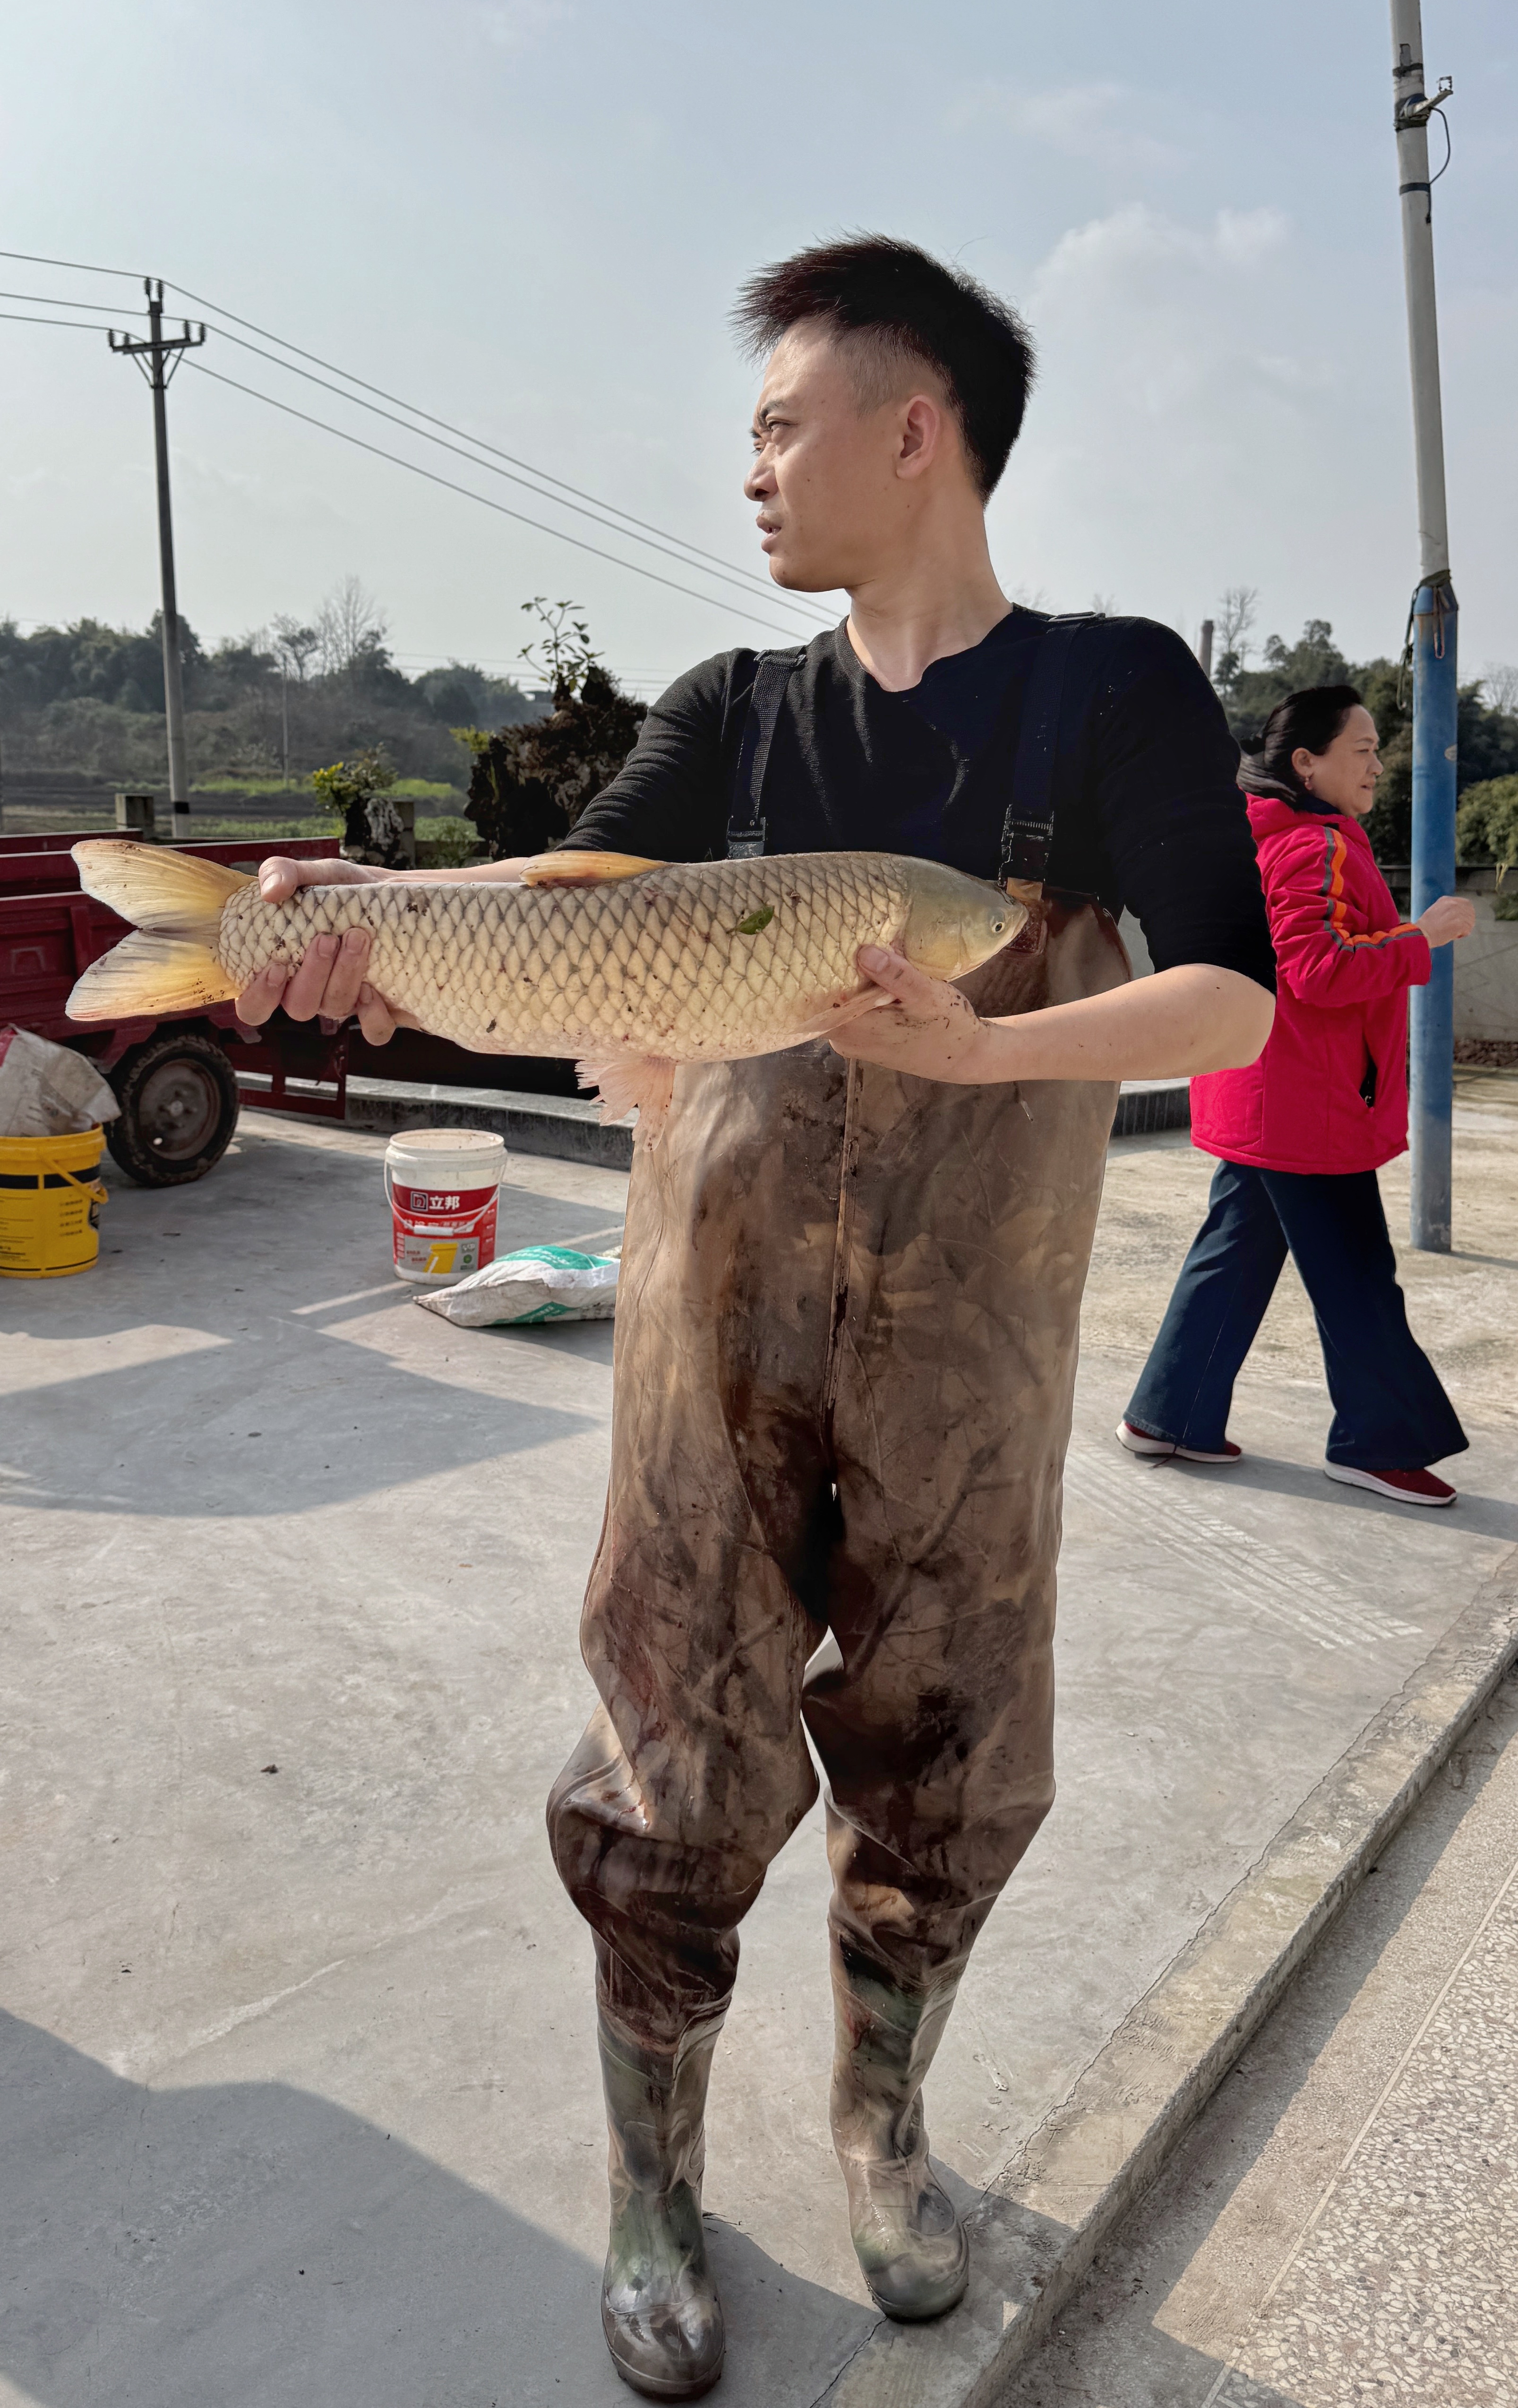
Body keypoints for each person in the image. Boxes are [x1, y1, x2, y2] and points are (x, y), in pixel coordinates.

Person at [236, 237, 1275, 2400]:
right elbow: (562, 917)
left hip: (968, 1366)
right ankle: (652, 2179)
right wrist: (352, 925)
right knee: (667, 1771)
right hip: (706, 1345)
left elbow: (1228, 988)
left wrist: (973, 1051)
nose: (753, 471)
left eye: (783, 424)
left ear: (921, 431)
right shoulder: (732, 715)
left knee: (953, 1768)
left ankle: (883, 2128)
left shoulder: (1110, 695)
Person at [1119, 681, 1474, 1507]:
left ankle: (1167, 1417)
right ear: (1306, 763)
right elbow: (1316, 970)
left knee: (1234, 1257)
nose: (1378, 766)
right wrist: (1422, 936)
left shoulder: (1264, 837)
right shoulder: (1312, 846)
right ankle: (1375, 1443)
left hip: (1263, 1088)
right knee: (1356, 1276)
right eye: (1363, 750)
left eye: (1378, 750)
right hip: (1305, 1104)